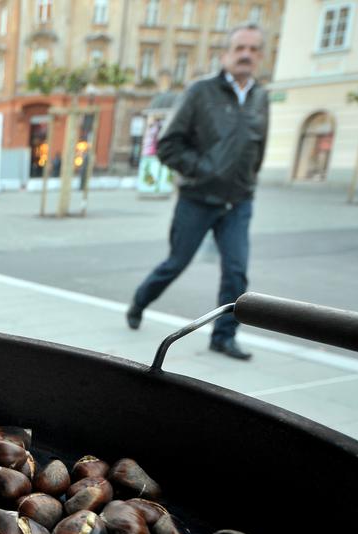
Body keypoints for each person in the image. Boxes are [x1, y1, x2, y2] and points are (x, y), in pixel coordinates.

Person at [126, 23, 269, 361]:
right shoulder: (200, 92)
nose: (246, 55)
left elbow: (258, 147)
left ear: (261, 56)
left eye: (253, 49)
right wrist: (205, 170)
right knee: (176, 262)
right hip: (197, 198)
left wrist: (248, 180)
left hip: (238, 201)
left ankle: (224, 336)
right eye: (239, 48)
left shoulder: (261, 97)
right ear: (225, 55)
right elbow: (168, 146)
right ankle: (141, 300)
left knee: (236, 271)